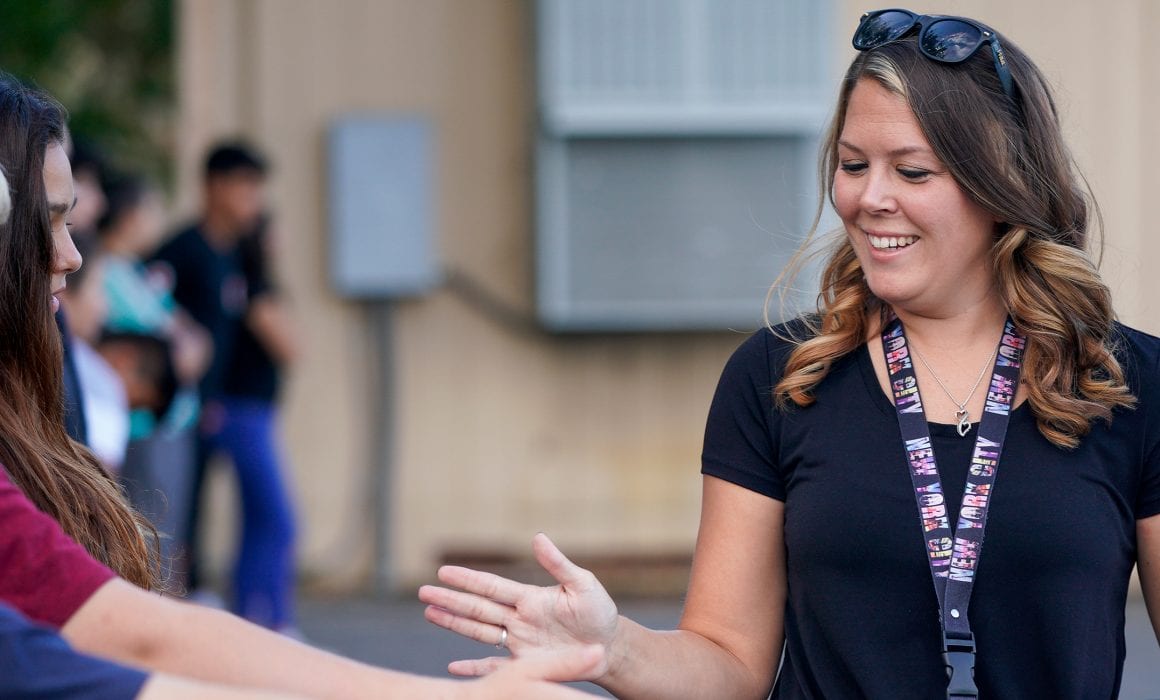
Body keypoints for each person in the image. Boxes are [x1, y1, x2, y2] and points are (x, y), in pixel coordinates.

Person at [418, 9, 1160, 699]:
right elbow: (729, 662)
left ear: (1001, 185)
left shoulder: (1131, 386)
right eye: (853, 164)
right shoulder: (778, 378)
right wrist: (613, 649)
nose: (868, 199)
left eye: (912, 171)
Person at [0, 72, 600, 699]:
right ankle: (268, 616)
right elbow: (129, 639)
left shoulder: (241, 254)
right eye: (54, 220)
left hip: (230, 413)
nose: (73, 255)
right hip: (221, 412)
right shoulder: (189, 253)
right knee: (262, 521)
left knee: (254, 525)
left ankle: (270, 617)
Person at [149, 142, 281, 601]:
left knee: (203, 501)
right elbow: (144, 311)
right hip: (171, 410)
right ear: (215, 186)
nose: (254, 199)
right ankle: (167, 596)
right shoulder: (182, 250)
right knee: (171, 504)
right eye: (245, 186)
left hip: (213, 407)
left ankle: (198, 590)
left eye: (257, 188)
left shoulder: (235, 256)